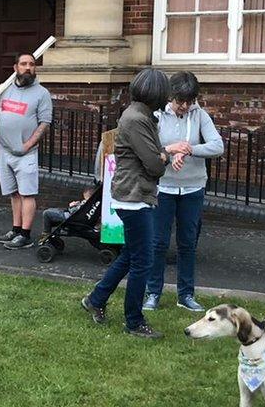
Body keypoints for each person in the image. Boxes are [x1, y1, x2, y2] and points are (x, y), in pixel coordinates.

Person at [80, 68, 191, 338]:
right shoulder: (136, 119)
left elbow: (152, 157)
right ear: (156, 93)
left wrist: (161, 154)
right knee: (144, 261)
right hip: (134, 197)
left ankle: (96, 299)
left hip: (134, 195)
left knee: (131, 255)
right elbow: (153, 164)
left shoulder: (140, 116)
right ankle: (134, 321)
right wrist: (166, 155)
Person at [143, 71, 224, 312]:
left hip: (193, 187)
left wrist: (189, 150)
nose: (185, 106)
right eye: (181, 101)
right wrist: (169, 150)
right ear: (171, 96)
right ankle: (153, 292)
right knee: (157, 242)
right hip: (163, 187)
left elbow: (217, 145)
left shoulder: (200, 115)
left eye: (190, 101)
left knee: (188, 243)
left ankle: (186, 294)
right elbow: (148, 148)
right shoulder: (156, 115)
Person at [0, 52, 53, 250]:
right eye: (24, 64)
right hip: (4, 150)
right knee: (13, 194)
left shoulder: (41, 93)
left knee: (27, 194)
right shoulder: (4, 89)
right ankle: (16, 230)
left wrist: (29, 144)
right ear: (15, 68)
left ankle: (25, 235)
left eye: (32, 64)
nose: (28, 68)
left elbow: (45, 123)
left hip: (25, 153)